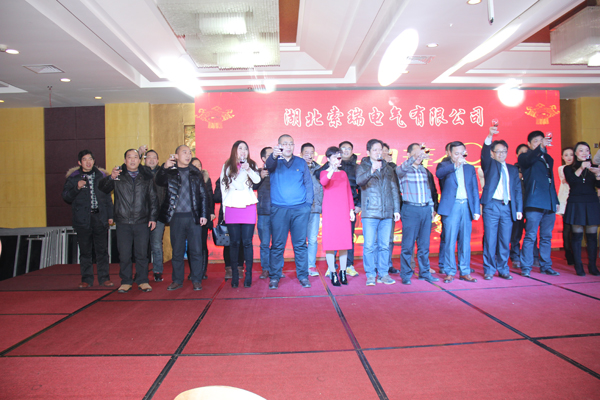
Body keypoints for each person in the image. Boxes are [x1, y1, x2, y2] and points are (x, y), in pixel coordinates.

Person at [99, 149, 158, 293]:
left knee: (142, 254)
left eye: (135, 157)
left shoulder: (146, 176)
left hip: (142, 221)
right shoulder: (118, 175)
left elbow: (153, 198)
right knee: (124, 254)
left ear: (139, 160)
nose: (132, 160)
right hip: (123, 221)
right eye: (129, 157)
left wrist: (152, 217)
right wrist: (110, 178)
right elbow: (102, 188)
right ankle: (126, 281)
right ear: (125, 160)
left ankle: (143, 280)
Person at [155, 145, 208, 291]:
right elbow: (159, 181)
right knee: (177, 251)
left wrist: (203, 215)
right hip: (176, 217)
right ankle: (177, 280)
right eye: (184, 152)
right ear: (176, 156)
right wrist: (164, 168)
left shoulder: (196, 172)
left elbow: (203, 195)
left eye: (189, 152)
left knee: (196, 250)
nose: (188, 155)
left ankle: (196, 279)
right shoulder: (170, 172)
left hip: (193, 217)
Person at [266, 134, 314, 289]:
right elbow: (268, 165)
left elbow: (308, 184)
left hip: (300, 210)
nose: (288, 146)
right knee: (277, 245)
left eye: (291, 144)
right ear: (279, 146)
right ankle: (274, 277)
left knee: (300, 245)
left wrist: (307, 205)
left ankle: (303, 276)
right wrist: (273, 156)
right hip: (279, 209)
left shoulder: (301, 162)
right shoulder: (274, 161)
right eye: (285, 144)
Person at [62, 150, 114, 288]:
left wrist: (110, 215)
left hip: (99, 218)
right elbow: (66, 196)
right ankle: (86, 279)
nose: (88, 162)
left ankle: (104, 278)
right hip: (83, 219)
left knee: (102, 251)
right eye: (85, 159)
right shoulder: (73, 177)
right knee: (85, 251)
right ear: (80, 162)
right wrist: (77, 188)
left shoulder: (101, 176)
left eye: (90, 159)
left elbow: (107, 197)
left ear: (94, 161)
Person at [356, 139, 401, 286]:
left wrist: (396, 209)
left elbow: (394, 189)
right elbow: (359, 181)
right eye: (375, 150)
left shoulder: (388, 168)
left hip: (387, 212)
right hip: (370, 212)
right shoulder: (362, 166)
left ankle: (383, 274)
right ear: (368, 152)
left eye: (380, 149)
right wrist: (372, 170)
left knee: (384, 245)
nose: (378, 152)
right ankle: (370, 274)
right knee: (369, 245)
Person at [480, 127, 523, 280]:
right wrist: (490, 136)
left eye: (504, 151)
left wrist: (518, 209)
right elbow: (484, 154)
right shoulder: (490, 164)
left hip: (508, 207)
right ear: (492, 153)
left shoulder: (512, 169)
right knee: (490, 239)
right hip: (492, 205)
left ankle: (503, 269)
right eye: (498, 151)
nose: (501, 154)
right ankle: (489, 269)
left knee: (505, 240)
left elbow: (517, 190)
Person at [436, 141, 480, 283]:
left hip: (466, 206)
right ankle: (450, 271)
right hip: (452, 206)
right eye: (456, 153)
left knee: (465, 241)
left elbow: (474, 189)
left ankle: (465, 271)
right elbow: (439, 174)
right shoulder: (444, 166)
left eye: (462, 153)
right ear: (449, 153)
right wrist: (455, 165)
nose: (460, 156)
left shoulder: (470, 168)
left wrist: (476, 209)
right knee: (449, 240)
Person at [518, 131, 561, 277]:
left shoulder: (548, 158)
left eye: (542, 141)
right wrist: (540, 148)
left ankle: (546, 266)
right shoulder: (525, 157)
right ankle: (526, 266)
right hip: (534, 201)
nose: (540, 143)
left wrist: (555, 200)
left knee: (546, 236)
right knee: (530, 236)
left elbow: (551, 181)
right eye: (536, 141)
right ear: (529, 144)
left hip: (549, 202)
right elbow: (528, 161)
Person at [396, 143, 439, 285]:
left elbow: (428, 191)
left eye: (421, 153)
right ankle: (406, 274)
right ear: (408, 155)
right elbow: (400, 170)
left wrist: (431, 208)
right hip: (410, 209)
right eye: (416, 153)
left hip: (425, 209)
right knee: (408, 245)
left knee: (424, 245)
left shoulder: (423, 170)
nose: (420, 156)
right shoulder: (403, 170)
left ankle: (424, 273)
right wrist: (414, 157)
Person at [220, 141, 261, 288]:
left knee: (247, 242)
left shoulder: (252, 165)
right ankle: (235, 276)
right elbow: (227, 188)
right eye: (240, 148)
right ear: (234, 151)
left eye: (245, 149)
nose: (243, 151)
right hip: (232, 206)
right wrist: (224, 211)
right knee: (234, 242)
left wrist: (248, 169)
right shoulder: (227, 166)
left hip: (248, 206)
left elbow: (257, 180)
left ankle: (248, 275)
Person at [319, 147, 355, 285]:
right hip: (330, 212)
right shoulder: (324, 172)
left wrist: (351, 210)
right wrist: (332, 169)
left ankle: (343, 271)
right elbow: (324, 182)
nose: (338, 159)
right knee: (331, 243)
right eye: (335, 157)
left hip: (343, 211)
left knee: (344, 243)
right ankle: (333, 272)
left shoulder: (343, 174)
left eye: (339, 157)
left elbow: (348, 192)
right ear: (328, 159)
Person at [563, 142, 600, 276]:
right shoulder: (568, 168)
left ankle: (592, 266)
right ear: (576, 153)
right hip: (576, 202)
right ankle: (578, 266)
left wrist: (598, 174)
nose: (584, 153)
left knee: (592, 237)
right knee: (577, 236)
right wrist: (581, 167)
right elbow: (572, 181)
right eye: (581, 150)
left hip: (591, 202)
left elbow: (598, 185)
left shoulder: (593, 168)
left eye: (587, 150)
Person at [143, 149, 168, 282]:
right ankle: (141, 272)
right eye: (149, 157)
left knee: (157, 244)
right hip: (141, 215)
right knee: (142, 246)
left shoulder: (162, 174)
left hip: (158, 214)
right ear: (144, 160)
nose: (151, 160)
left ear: (158, 161)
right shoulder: (140, 173)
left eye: (154, 157)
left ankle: (158, 271)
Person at [337, 140, 361, 277]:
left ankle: (348, 265)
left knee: (349, 236)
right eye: (343, 148)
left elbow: (362, 188)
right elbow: (320, 176)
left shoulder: (357, 168)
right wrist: (332, 162)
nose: (346, 151)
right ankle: (332, 266)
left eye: (348, 148)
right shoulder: (334, 165)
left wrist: (359, 204)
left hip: (350, 207)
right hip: (335, 207)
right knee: (334, 235)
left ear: (352, 151)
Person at [254, 147, 277, 279]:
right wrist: (260, 177)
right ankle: (266, 269)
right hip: (263, 213)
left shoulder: (279, 170)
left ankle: (276, 269)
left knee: (277, 243)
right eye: (269, 155)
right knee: (264, 244)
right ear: (263, 159)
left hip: (278, 212)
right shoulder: (257, 173)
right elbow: (252, 187)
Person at [301, 143, 323, 277]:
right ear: (301, 154)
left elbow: (323, 188)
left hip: (315, 208)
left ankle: (311, 265)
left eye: (312, 152)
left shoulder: (319, 169)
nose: (309, 155)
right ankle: (302, 265)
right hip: (300, 209)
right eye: (306, 152)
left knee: (313, 239)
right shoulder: (297, 167)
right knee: (300, 239)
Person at [191, 157, 215, 279]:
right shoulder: (186, 178)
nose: (197, 167)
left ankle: (202, 270)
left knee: (202, 243)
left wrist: (211, 212)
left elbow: (210, 197)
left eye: (199, 165)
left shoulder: (206, 178)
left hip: (203, 215)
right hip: (191, 216)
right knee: (192, 245)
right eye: (194, 165)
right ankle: (193, 271)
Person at [557, 147, 575, 265]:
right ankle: (568, 253)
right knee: (567, 228)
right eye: (566, 155)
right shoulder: (562, 168)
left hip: (576, 200)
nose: (569, 157)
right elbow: (566, 180)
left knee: (575, 228)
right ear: (562, 157)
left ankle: (574, 252)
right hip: (565, 199)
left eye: (571, 155)